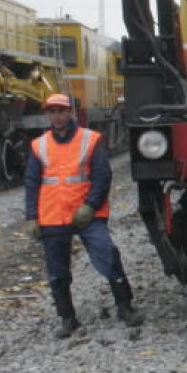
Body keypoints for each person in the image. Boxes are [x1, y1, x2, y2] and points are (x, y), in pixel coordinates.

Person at [23, 93, 143, 338]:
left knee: (108, 256)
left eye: (61, 110)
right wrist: (31, 217)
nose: (57, 116)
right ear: (48, 114)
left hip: (87, 215)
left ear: (70, 112)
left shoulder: (90, 139)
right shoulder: (39, 145)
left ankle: (125, 307)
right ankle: (68, 319)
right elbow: (32, 182)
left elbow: (102, 176)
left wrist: (89, 206)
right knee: (57, 273)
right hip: (53, 216)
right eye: (52, 111)